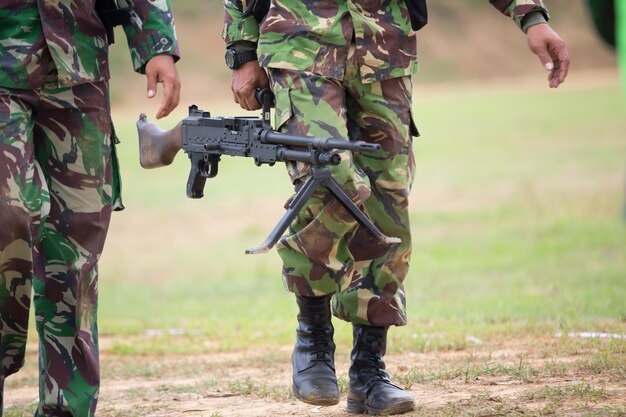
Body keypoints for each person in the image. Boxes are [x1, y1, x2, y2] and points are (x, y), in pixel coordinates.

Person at [223, 0, 569, 415]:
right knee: (328, 181)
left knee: (388, 205)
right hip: (299, 44)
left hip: (384, 48)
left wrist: (529, 17)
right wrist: (242, 53)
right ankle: (313, 341)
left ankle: (369, 371)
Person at [0, 1, 180, 416]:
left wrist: (156, 43)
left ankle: (67, 408)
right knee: (8, 218)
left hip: (78, 61)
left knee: (77, 250)